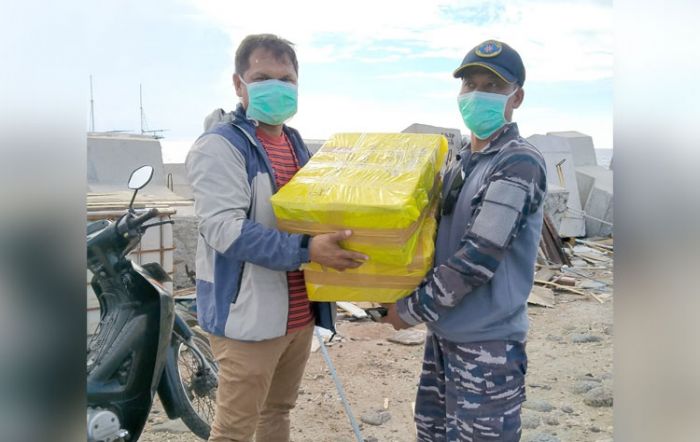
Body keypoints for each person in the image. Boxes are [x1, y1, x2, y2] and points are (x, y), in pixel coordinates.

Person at [185, 33, 367, 442]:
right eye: (263, 76)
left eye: (286, 79)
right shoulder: (220, 147)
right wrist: (306, 249)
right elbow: (224, 229)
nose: (277, 87)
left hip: (298, 314)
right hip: (246, 317)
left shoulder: (294, 141)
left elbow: (310, 209)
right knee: (234, 430)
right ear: (239, 84)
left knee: (276, 413)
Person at [381, 40, 547, 441]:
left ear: (516, 97)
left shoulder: (517, 161)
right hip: (444, 337)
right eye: (469, 84)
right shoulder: (460, 162)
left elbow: (478, 257)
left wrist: (409, 309)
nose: (476, 95)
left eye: (491, 86)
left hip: (488, 349)